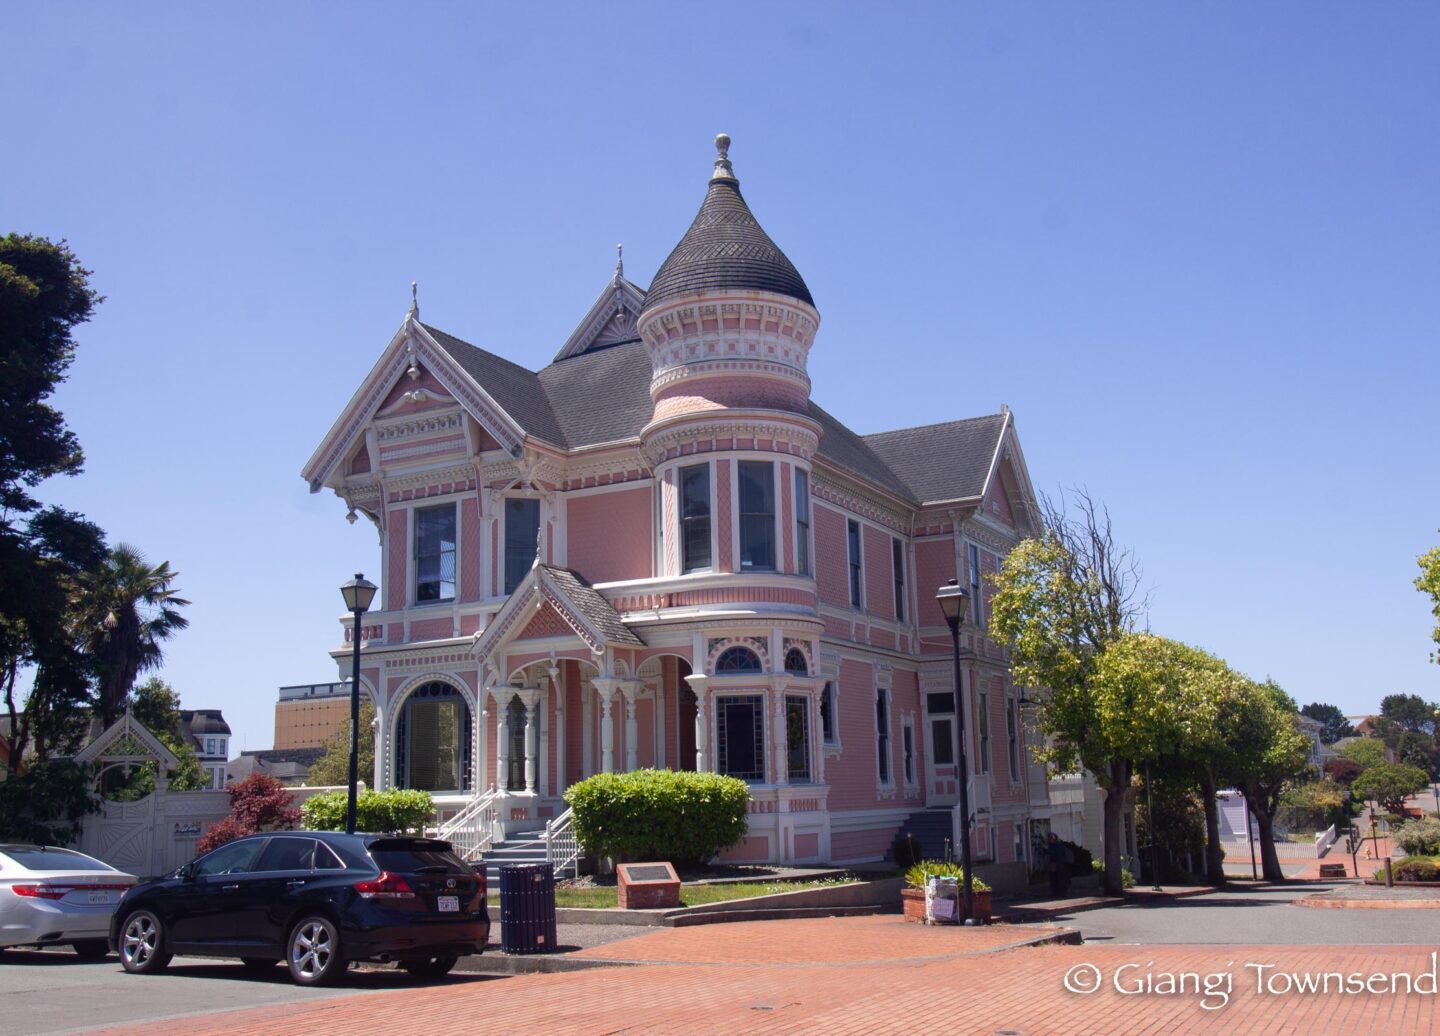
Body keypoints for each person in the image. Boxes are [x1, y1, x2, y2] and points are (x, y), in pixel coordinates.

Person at [1046, 833, 1070, 897]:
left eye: (1050, 838)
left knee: (1060, 879)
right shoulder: (1051, 845)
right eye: (1049, 838)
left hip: (1060, 864)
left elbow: (1059, 855)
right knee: (1053, 879)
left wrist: (1056, 864)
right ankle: (1055, 893)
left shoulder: (1058, 846)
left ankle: (1061, 893)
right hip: (1054, 864)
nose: (1049, 840)